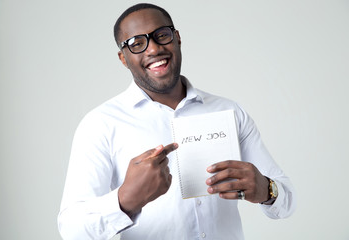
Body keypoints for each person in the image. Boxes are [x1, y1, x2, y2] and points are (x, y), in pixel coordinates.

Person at [58, 3, 296, 240]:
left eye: (161, 35)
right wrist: (126, 199)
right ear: (123, 58)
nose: (153, 49)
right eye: (137, 43)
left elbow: (287, 202)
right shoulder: (100, 124)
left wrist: (266, 189)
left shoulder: (229, 111)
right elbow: (71, 230)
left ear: (177, 38)